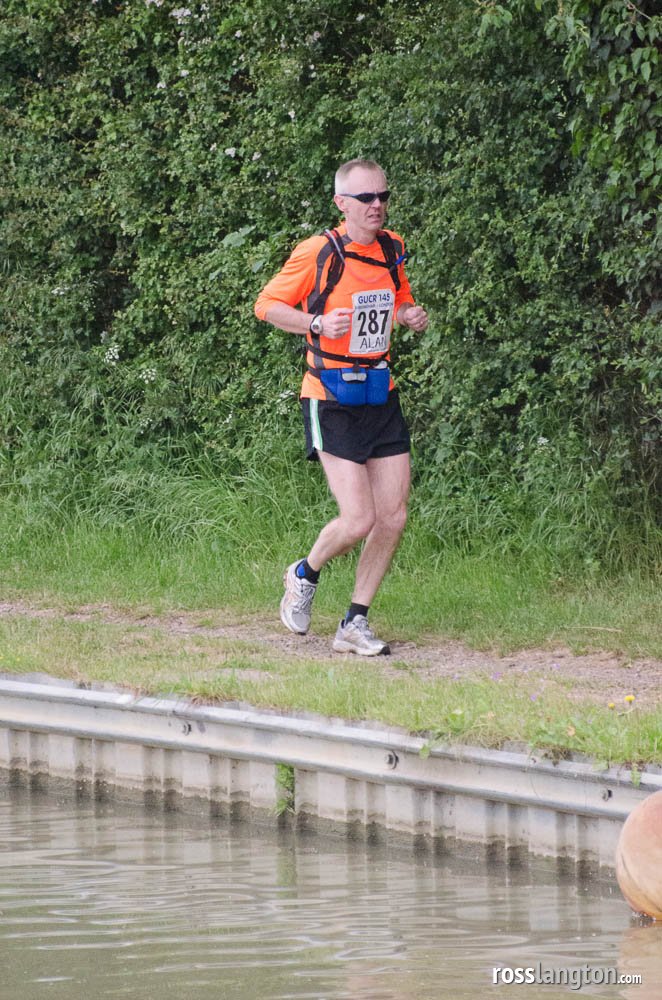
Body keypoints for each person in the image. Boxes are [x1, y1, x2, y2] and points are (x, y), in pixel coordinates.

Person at [254, 158, 428, 655]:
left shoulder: (392, 248)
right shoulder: (319, 251)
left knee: (392, 516)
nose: (377, 206)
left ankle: (354, 622)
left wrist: (408, 314)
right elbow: (266, 305)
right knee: (358, 519)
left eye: (383, 196)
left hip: (379, 391)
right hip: (329, 395)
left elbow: (397, 299)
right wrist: (315, 323)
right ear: (341, 203)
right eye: (366, 198)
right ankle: (304, 573)